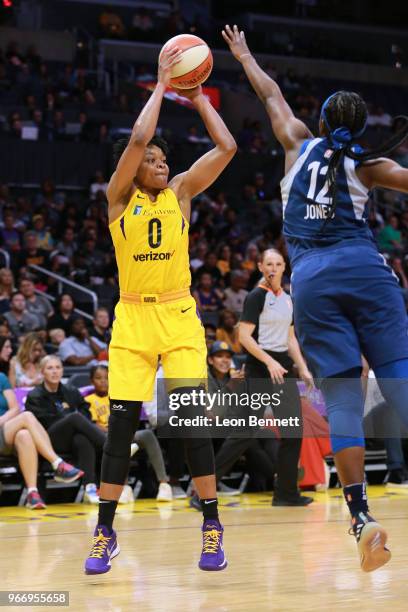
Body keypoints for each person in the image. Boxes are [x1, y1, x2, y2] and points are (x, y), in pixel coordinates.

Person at [222, 24, 408, 571]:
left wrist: (243, 54)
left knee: (346, 399)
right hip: (367, 274)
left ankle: (360, 516)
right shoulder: (369, 164)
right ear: (360, 126)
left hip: (316, 283)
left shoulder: (297, 145)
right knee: (398, 383)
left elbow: (270, 94)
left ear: (322, 123)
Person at [84, 45, 237, 574]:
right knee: (121, 430)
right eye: (153, 160)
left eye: (163, 159)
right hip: (131, 320)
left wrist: (196, 99)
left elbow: (227, 145)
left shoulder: (181, 193)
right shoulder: (118, 199)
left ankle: (212, 525)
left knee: (193, 423)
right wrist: (159, 85)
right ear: (132, 170)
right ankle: (105, 532)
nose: (160, 162)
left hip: (177, 317)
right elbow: (138, 138)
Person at [213, 249, 314, 505]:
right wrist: (268, 362)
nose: (273, 268)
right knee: (244, 433)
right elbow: (244, 337)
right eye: (268, 263)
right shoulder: (256, 296)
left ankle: (286, 493)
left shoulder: (289, 299)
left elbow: (290, 339)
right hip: (259, 369)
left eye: (278, 264)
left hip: (283, 368)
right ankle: (204, 489)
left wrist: (302, 367)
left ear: (284, 268)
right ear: (260, 266)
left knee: (293, 432)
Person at [25, 355, 106, 504]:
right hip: (47, 442)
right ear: (42, 372)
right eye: (50, 368)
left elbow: (86, 412)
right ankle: (111, 446)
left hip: (71, 438)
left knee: (82, 439)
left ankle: (90, 488)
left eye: (58, 367)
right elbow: (44, 422)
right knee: (74, 418)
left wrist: (71, 421)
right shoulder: (35, 396)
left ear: (62, 371)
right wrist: (69, 420)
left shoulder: (71, 390)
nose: (55, 372)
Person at [85, 365, 172, 503]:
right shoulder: (88, 399)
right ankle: (123, 487)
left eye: (106, 377)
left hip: (125, 432)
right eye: (98, 378)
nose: (103, 381)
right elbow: (92, 424)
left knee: (147, 434)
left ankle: (164, 484)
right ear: (91, 381)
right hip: (104, 436)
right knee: (120, 441)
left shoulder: (119, 395)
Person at [0, 369, 83, 509]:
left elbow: (14, 408)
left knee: (24, 435)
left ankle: (33, 494)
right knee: (27, 416)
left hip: (6, 429)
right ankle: (57, 463)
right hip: (5, 431)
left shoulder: (1, 377)